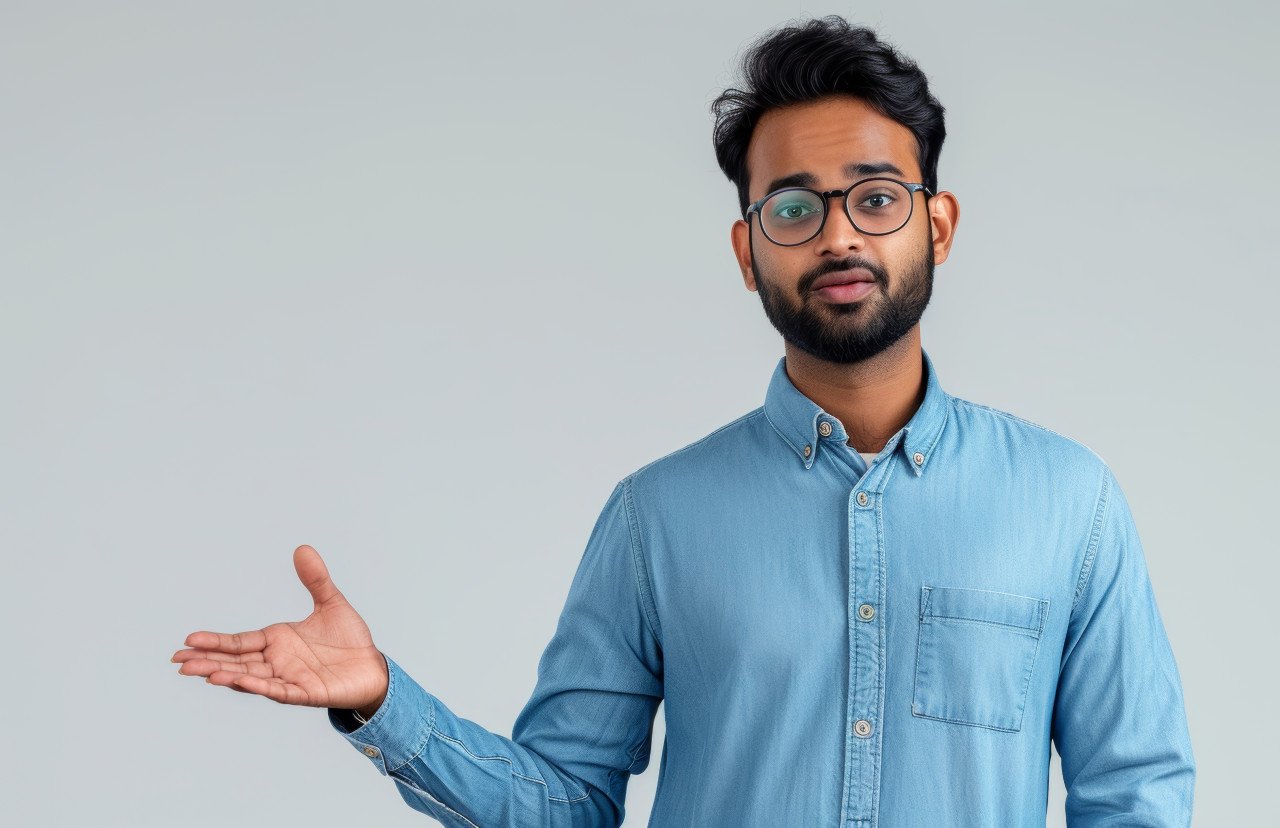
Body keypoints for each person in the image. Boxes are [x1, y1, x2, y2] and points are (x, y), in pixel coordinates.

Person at [171, 15, 1195, 826]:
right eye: (792, 208)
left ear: (937, 223)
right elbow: (567, 805)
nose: (837, 235)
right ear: (749, 251)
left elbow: (1135, 797)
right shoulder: (655, 519)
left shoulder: (1068, 504)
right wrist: (381, 701)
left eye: (876, 198)